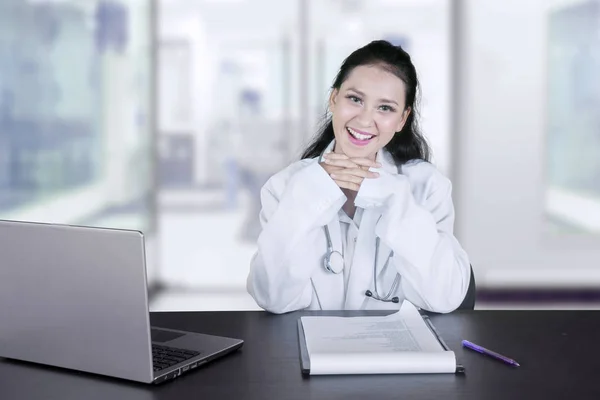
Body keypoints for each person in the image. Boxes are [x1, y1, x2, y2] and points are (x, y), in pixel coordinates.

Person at [246, 40, 471, 314]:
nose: (365, 120)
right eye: (355, 99)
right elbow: (272, 297)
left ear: (402, 119)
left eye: (385, 108)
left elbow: (445, 296)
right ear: (334, 99)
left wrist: (393, 198)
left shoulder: (427, 187)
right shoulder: (284, 186)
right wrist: (311, 192)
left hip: (398, 354)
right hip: (309, 354)